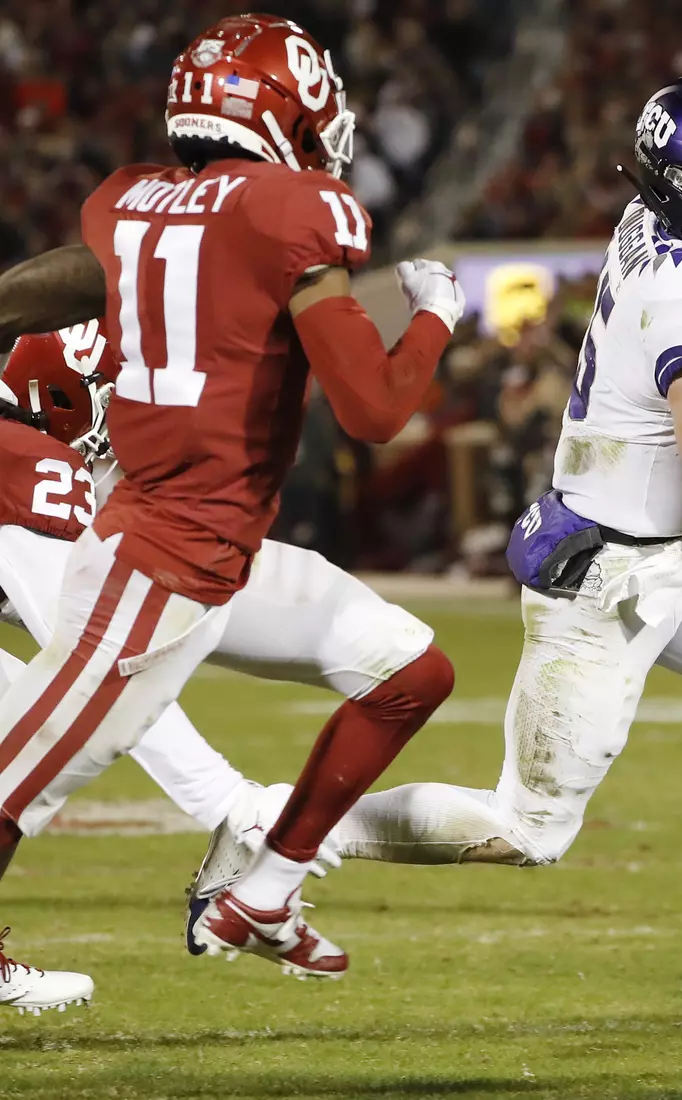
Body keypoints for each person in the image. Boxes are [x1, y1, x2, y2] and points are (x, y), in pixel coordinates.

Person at [195, 73, 682, 1026]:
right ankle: (265, 824)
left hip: (667, 548)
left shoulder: (657, 228)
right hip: (609, 577)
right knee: (525, 832)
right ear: (678, 187)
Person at [0, 13, 464, 985]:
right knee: (17, 778)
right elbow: (375, 409)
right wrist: (430, 315)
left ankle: (261, 890)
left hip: (224, 552)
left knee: (411, 673)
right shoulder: (290, 212)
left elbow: (103, 274)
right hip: (162, 553)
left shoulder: (130, 200)